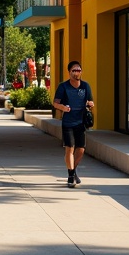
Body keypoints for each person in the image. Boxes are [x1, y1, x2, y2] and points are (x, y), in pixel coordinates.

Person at [53, 59, 95, 188]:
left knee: (81, 149)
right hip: (68, 122)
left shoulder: (85, 86)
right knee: (70, 148)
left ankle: (73, 169)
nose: (77, 73)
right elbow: (55, 103)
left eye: (79, 70)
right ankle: (71, 176)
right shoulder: (63, 86)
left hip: (81, 121)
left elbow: (91, 102)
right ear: (69, 72)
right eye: (74, 70)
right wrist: (63, 108)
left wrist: (90, 104)